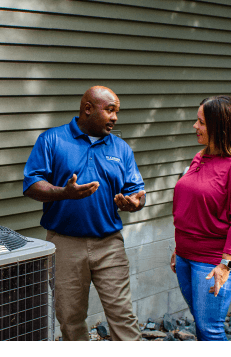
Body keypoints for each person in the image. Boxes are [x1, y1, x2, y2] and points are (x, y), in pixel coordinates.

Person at [23, 86, 146, 341]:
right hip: (64, 244)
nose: (115, 118)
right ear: (87, 109)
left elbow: (137, 191)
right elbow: (31, 185)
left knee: (123, 317)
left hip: (109, 245)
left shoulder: (121, 148)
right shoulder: (52, 140)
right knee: (70, 320)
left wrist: (133, 202)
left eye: (117, 112)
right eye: (110, 110)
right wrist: (63, 192)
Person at [170, 95, 231, 341]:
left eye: (201, 122)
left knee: (210, 329)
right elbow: (189, 206)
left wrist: (226, 266)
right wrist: (178, 249)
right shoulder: (201, 156)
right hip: (185, 256)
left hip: (214, 262)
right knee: (201, 325)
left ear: (220, 127)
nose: (195, 126)